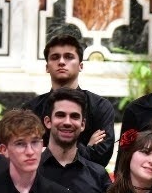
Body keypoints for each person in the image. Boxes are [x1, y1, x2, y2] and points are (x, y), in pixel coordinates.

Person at [25, 34, 117, 167]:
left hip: (86, 179)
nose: (61, 62)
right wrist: (86, 148)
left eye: (69, 57)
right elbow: (25, 154)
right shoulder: (31, 110)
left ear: (81, 65)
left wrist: (48, 148)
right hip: (40, 178)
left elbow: (101, 158)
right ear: (47, 67)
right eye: (55, 57)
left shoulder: (100, 107)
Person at [39, 88, 112, 193]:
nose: (67, 122)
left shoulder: (98, 175)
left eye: (74, 116)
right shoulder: (30, 172)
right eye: (60, 115)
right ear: (48, 122)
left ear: (82, 124)